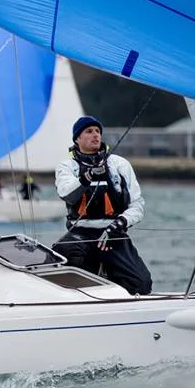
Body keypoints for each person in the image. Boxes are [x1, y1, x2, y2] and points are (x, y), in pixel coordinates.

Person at [53, 116, 152, 295]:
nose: (95, 135)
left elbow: (137, 205)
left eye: (98, 131)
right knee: (65, 258)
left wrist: (120, 224)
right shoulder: (67, 166)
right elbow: (66, 193)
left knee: (141, 283)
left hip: (113, 232)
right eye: (89, 131)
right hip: (81, 233)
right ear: (77, 138)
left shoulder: (119, 164)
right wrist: (87, 177)